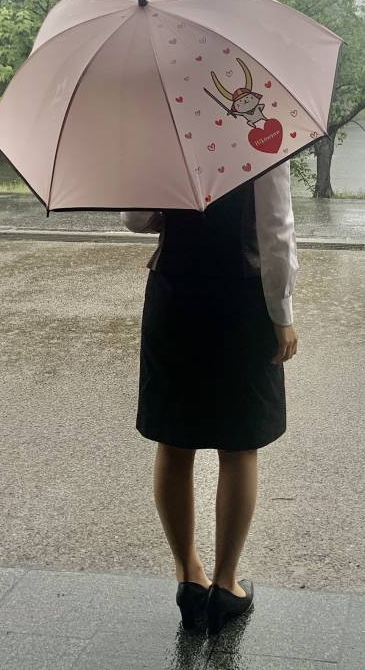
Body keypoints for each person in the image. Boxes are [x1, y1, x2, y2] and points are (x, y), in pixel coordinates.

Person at [120, 159, 299, 636]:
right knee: (239, 446)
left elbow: (136, 219)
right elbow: (275, 229)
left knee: (173, 443)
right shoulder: (262, 129)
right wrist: (282, 313)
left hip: (175, 293)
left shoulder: (163, 127)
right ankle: (226, 585)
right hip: (242, 297)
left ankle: (188, 577)